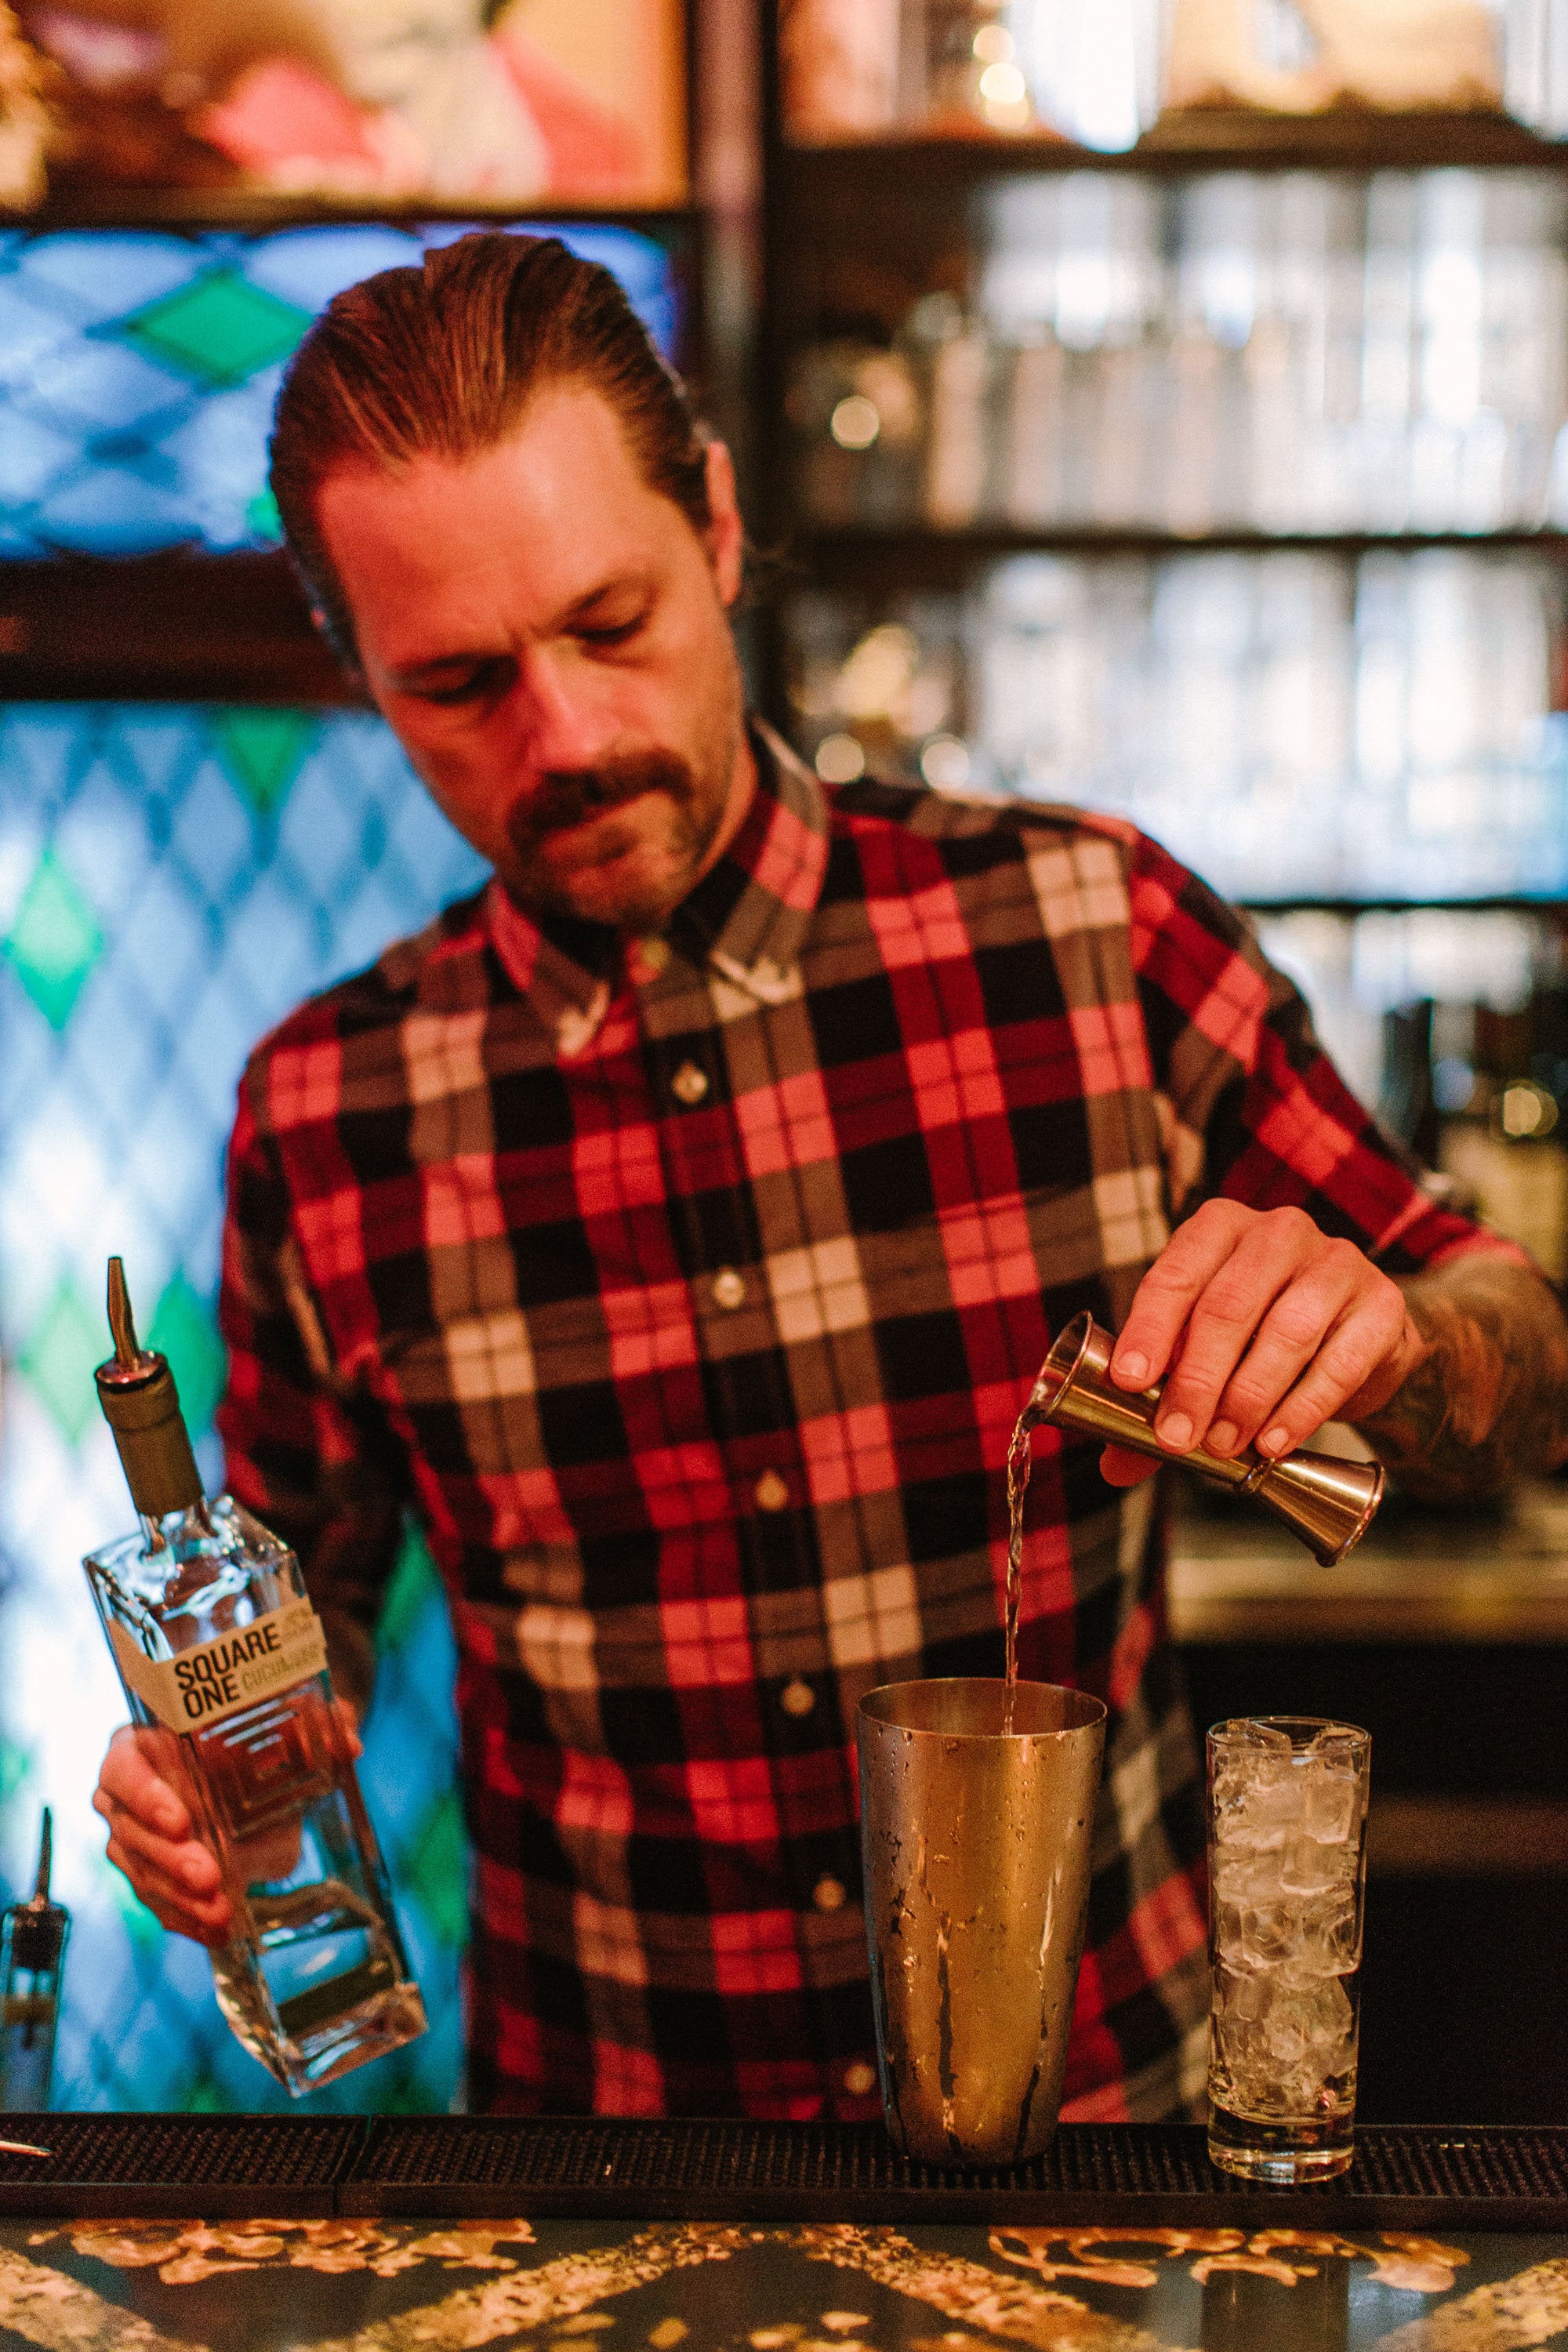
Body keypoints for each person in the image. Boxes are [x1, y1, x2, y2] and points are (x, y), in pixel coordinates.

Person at [93, 231, 1568, 2122]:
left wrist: (1390, 1333)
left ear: (713, 526)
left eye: (610, 620)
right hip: (615, 2169)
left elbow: (1519, 1349)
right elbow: (306, 1643)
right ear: (357, 669)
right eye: (458, 684)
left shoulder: (1086, 930)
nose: (567, 738)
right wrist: (231, 1788)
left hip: (1094, 2140)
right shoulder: (328, 1112)